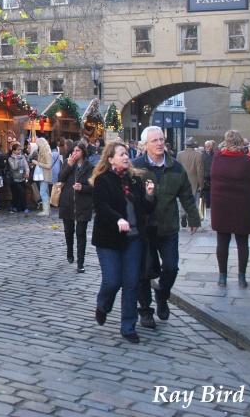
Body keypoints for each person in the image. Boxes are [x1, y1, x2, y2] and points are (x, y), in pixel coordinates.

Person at [133, 125, 200, 330]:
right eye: (155, 140)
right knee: (143, 272)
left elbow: (186, 195)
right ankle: (145, 311)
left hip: (168, 227)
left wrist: (193, 218)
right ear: (145, 145)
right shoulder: (136, 167)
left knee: (171, 267)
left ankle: (162, 295)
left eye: (161, 139)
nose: (160, 143)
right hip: (144, 229)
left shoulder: (176, 167)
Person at [90, 141, 156, 343]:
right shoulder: (103, 180)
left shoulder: (134, 180)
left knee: (131, 283)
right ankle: (103, 305)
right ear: (110, 159)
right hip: (109, 240)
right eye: (121, 154)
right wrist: (117, 219)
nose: (126, 157)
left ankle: (128, 326)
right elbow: (100, 206)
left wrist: (150, 195)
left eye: (127, 153)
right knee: (112, 281)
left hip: (134, 239)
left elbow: (144, 209)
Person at [209, 130, 250, 288]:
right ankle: (242, 278)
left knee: (222, 241)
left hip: (221, 207)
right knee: (242, 242)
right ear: (242, 143)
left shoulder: (217, 158)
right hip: (242, 207)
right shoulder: (249, 162)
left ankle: (222, 277)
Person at [59, 142, 94, 272]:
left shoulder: (90, 167)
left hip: (83, 204)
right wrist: (69, 164)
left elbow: (93, 186)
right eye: (74, 150)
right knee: (68, 231)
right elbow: (60, 177)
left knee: (81, 233)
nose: (75, 153)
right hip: (67, 202)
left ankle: (80, 263)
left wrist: (83, 188)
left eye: (78, 150)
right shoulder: (68, 163)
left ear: (83, 152)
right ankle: (69, 251)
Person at [176, 137, 206, 227]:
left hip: (182, 180)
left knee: (182, 199)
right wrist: (201, 184)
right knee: (193, 202)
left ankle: (183, 214)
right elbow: (200, 170)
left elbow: (177, 169)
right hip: (194, 181)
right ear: (193, 145)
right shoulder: (198, 155)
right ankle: (191, 218)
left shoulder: (179, 154)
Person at [31, 136, 53, 216]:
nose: (38, 146)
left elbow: (49, 165)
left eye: (38, 144)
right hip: (42, 174)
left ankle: (46, 211)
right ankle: (47, 210)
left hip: (45, 175)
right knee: (43, 192)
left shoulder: (47, 153)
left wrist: (38, 163)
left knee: (43, 192)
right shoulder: (42, 152)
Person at [6, 141, 30, 216]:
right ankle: (25, 208)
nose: (20, 151)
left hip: (22, 178)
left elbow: (26, 165)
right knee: (21, 192)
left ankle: (16, 207)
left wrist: (27, 172)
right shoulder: (10, 159)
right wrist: (16, 159)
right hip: (15, 179)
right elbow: (14, 167)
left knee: (19, 194)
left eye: (20, 150)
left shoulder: (22, 157)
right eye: (18, 150)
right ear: (14, 151)